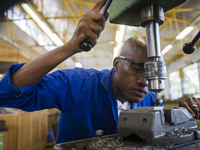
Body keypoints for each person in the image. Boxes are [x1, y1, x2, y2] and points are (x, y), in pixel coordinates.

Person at [0, 0, 199, 144]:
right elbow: (7, 94)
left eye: (150, 75)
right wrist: (70, 47)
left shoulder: (148, 100)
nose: (144, 82)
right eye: (137, 68)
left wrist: (183, 113)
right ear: (116, 64)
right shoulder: (77, 85)